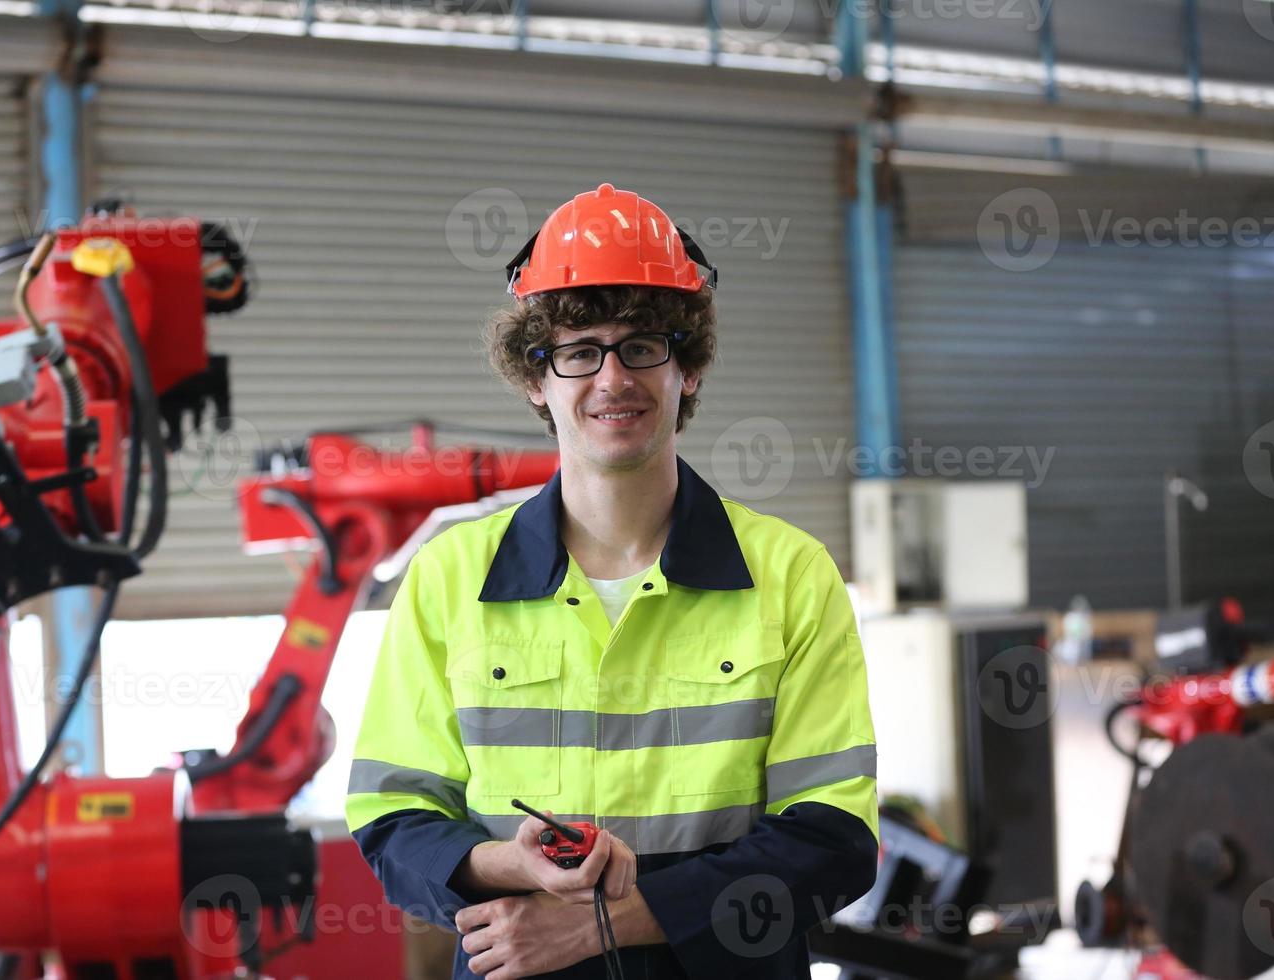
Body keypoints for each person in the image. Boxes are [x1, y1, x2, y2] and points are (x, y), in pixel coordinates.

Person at [347, 183, 878, 979]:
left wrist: (610, 924)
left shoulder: (791, 575)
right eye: (577, 349)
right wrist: (511, 865)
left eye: (642, 345)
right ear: (537, 379)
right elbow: (393, 818)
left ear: (687, 368)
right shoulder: (450, 578)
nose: (612, 378)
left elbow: (832, 840)